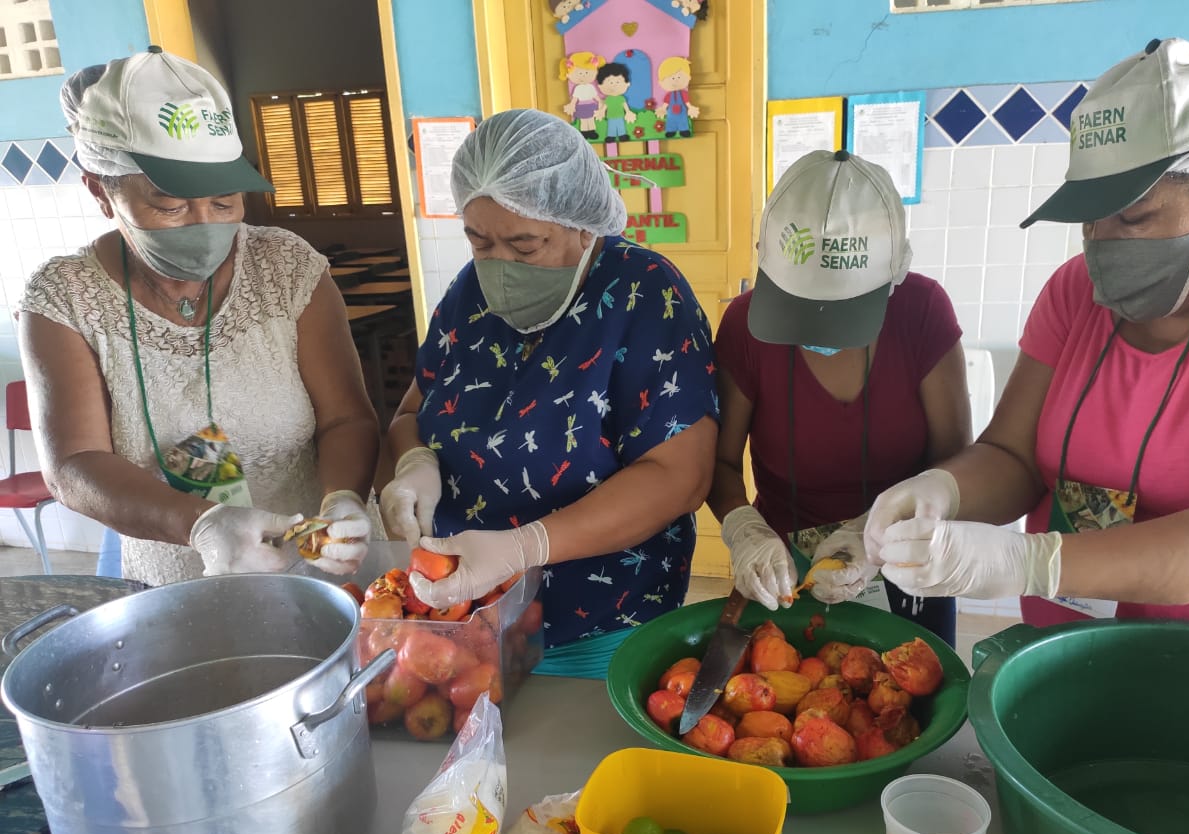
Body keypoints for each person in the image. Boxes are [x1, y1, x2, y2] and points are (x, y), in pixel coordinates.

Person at [865, 38, 1189, 633]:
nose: (1100, 242)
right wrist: (942, 493)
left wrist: (1033, 561)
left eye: (1134, 218)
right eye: (1089, 215)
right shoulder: (1074, 289)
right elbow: (1012, 455)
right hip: (1063, 638)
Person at [17, 47, 379, 585]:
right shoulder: (66, 298)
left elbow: (347, 417)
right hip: (180, 581)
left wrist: (344, 498)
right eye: (170, 206)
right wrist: (204, 523)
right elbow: (75, 464)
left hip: (322, 566)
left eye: (226, 201)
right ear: (100, 190)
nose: (204, 222)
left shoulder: (287, 268)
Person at [379, 108, 717, 676]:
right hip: (465, 617)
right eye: (479, 241)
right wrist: (412, 463)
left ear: (584, 225)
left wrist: (525, 547)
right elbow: (414, 409)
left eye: (526, 245)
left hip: (601, 621)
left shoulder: (645, 294)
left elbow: (680, 476)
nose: (500, 264)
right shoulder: (469, 293)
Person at [708, 150, 970, 646]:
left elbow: (958, 463)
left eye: (841, 310)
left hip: (908, 556)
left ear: (888, 281)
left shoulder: (922, 311)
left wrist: (878, 530)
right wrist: (744, 530)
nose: (817, 327)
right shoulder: (745, 324)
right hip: (785, 569)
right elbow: (719, 463)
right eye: (798, 307)